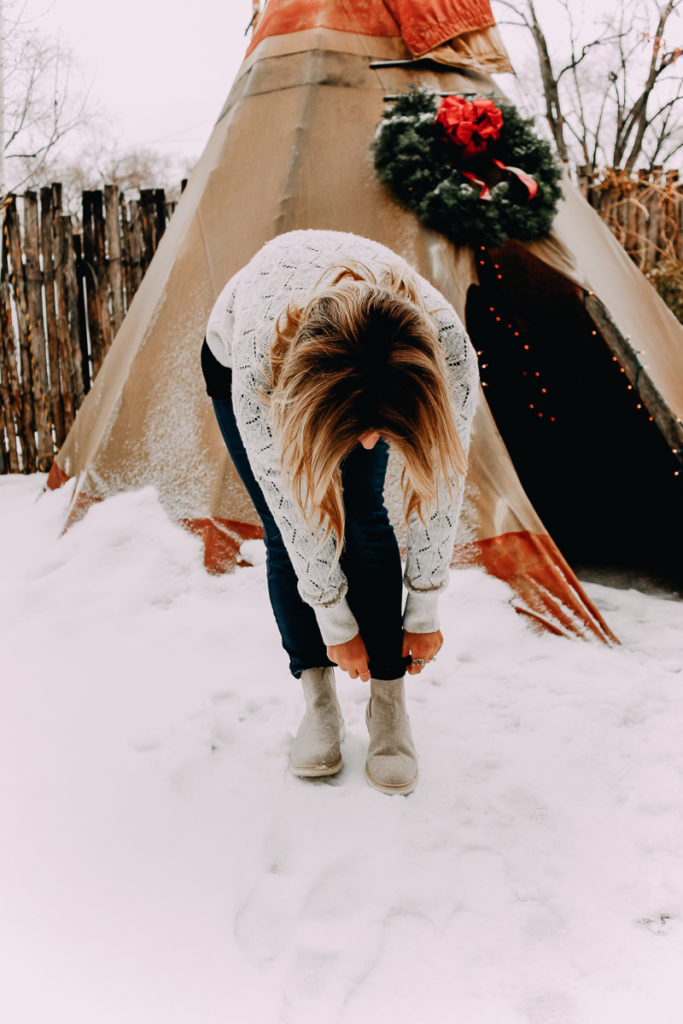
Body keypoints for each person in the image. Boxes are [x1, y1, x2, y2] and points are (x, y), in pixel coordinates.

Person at [201, 230, 478, 795]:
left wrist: (423, 614)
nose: (372, 444)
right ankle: (319, 702)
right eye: (363, 428)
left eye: (385, 427)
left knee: (364, 514)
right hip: (251, 363)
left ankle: (389, 705)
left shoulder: (448, 349)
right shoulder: (261, 360)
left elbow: (442, 485)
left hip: (357, 358)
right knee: (287, 534)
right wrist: (335, 625)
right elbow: (296, 512)